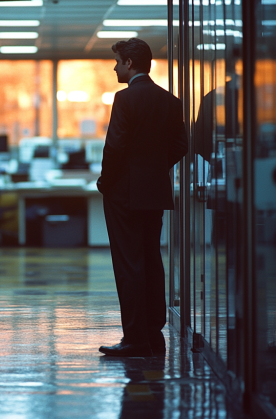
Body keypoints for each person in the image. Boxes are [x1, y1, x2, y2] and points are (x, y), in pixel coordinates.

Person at [97, 38, 188, 357]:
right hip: (154, 191)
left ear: (130, 64)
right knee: (151, 258)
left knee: (128, 263)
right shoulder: (171, 101)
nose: (115, 67)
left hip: (124, 194)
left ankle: (134, 337)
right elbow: (181, 146)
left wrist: (105, 182)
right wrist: (152, 169)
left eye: (118, 61)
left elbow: (115, 147)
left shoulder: (124, 99)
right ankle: (153, 329)